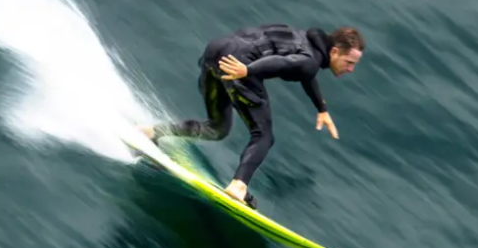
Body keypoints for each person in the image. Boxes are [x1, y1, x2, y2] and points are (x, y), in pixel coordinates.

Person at [137, 24, 365, 209]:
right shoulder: (309, 61)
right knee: (263, 136)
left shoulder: (304, 38)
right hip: (240, 66)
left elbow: (304, 72)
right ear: (334, 51)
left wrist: (321, 109)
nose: (351, 69)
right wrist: (248, 71)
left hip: (216, 51)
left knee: (217, 128)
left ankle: (151, 132)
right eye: (350, 62)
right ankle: (238, 186)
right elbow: (285, 63)